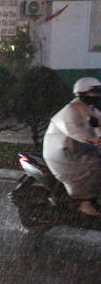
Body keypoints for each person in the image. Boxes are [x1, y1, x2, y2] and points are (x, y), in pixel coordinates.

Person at [42, 77, 101, 216]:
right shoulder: (71, 109)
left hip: (80, 148)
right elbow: (72, 130)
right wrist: (92, 139)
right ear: (83, 94)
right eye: (94, 93)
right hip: (61, 151)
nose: (97, 96)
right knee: (93, 165)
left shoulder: (90, 109)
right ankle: (84, 203)